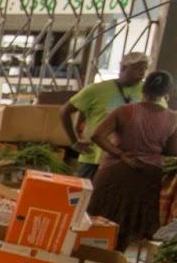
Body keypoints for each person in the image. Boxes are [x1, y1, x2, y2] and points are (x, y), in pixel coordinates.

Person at [87, 70, 177, 251]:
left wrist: (120, 154)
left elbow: (97, 135)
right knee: (130, 223)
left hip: (115, 171)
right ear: (167, 92)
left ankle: (91, 255)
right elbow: (172, 150)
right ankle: (116, 259)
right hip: (147, 175)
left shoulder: (125, 111)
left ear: (143, 88)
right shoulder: (173, 118)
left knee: (98, 217)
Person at [63, 51, 147, 179]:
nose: (142, 73)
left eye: (144, 70)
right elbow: (65, 111)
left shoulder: (147, 93)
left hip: (129, 159)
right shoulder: (97, 89)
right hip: (94, 157)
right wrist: (74, 141)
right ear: (124, 68)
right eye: (138, 69)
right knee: (82, 195)